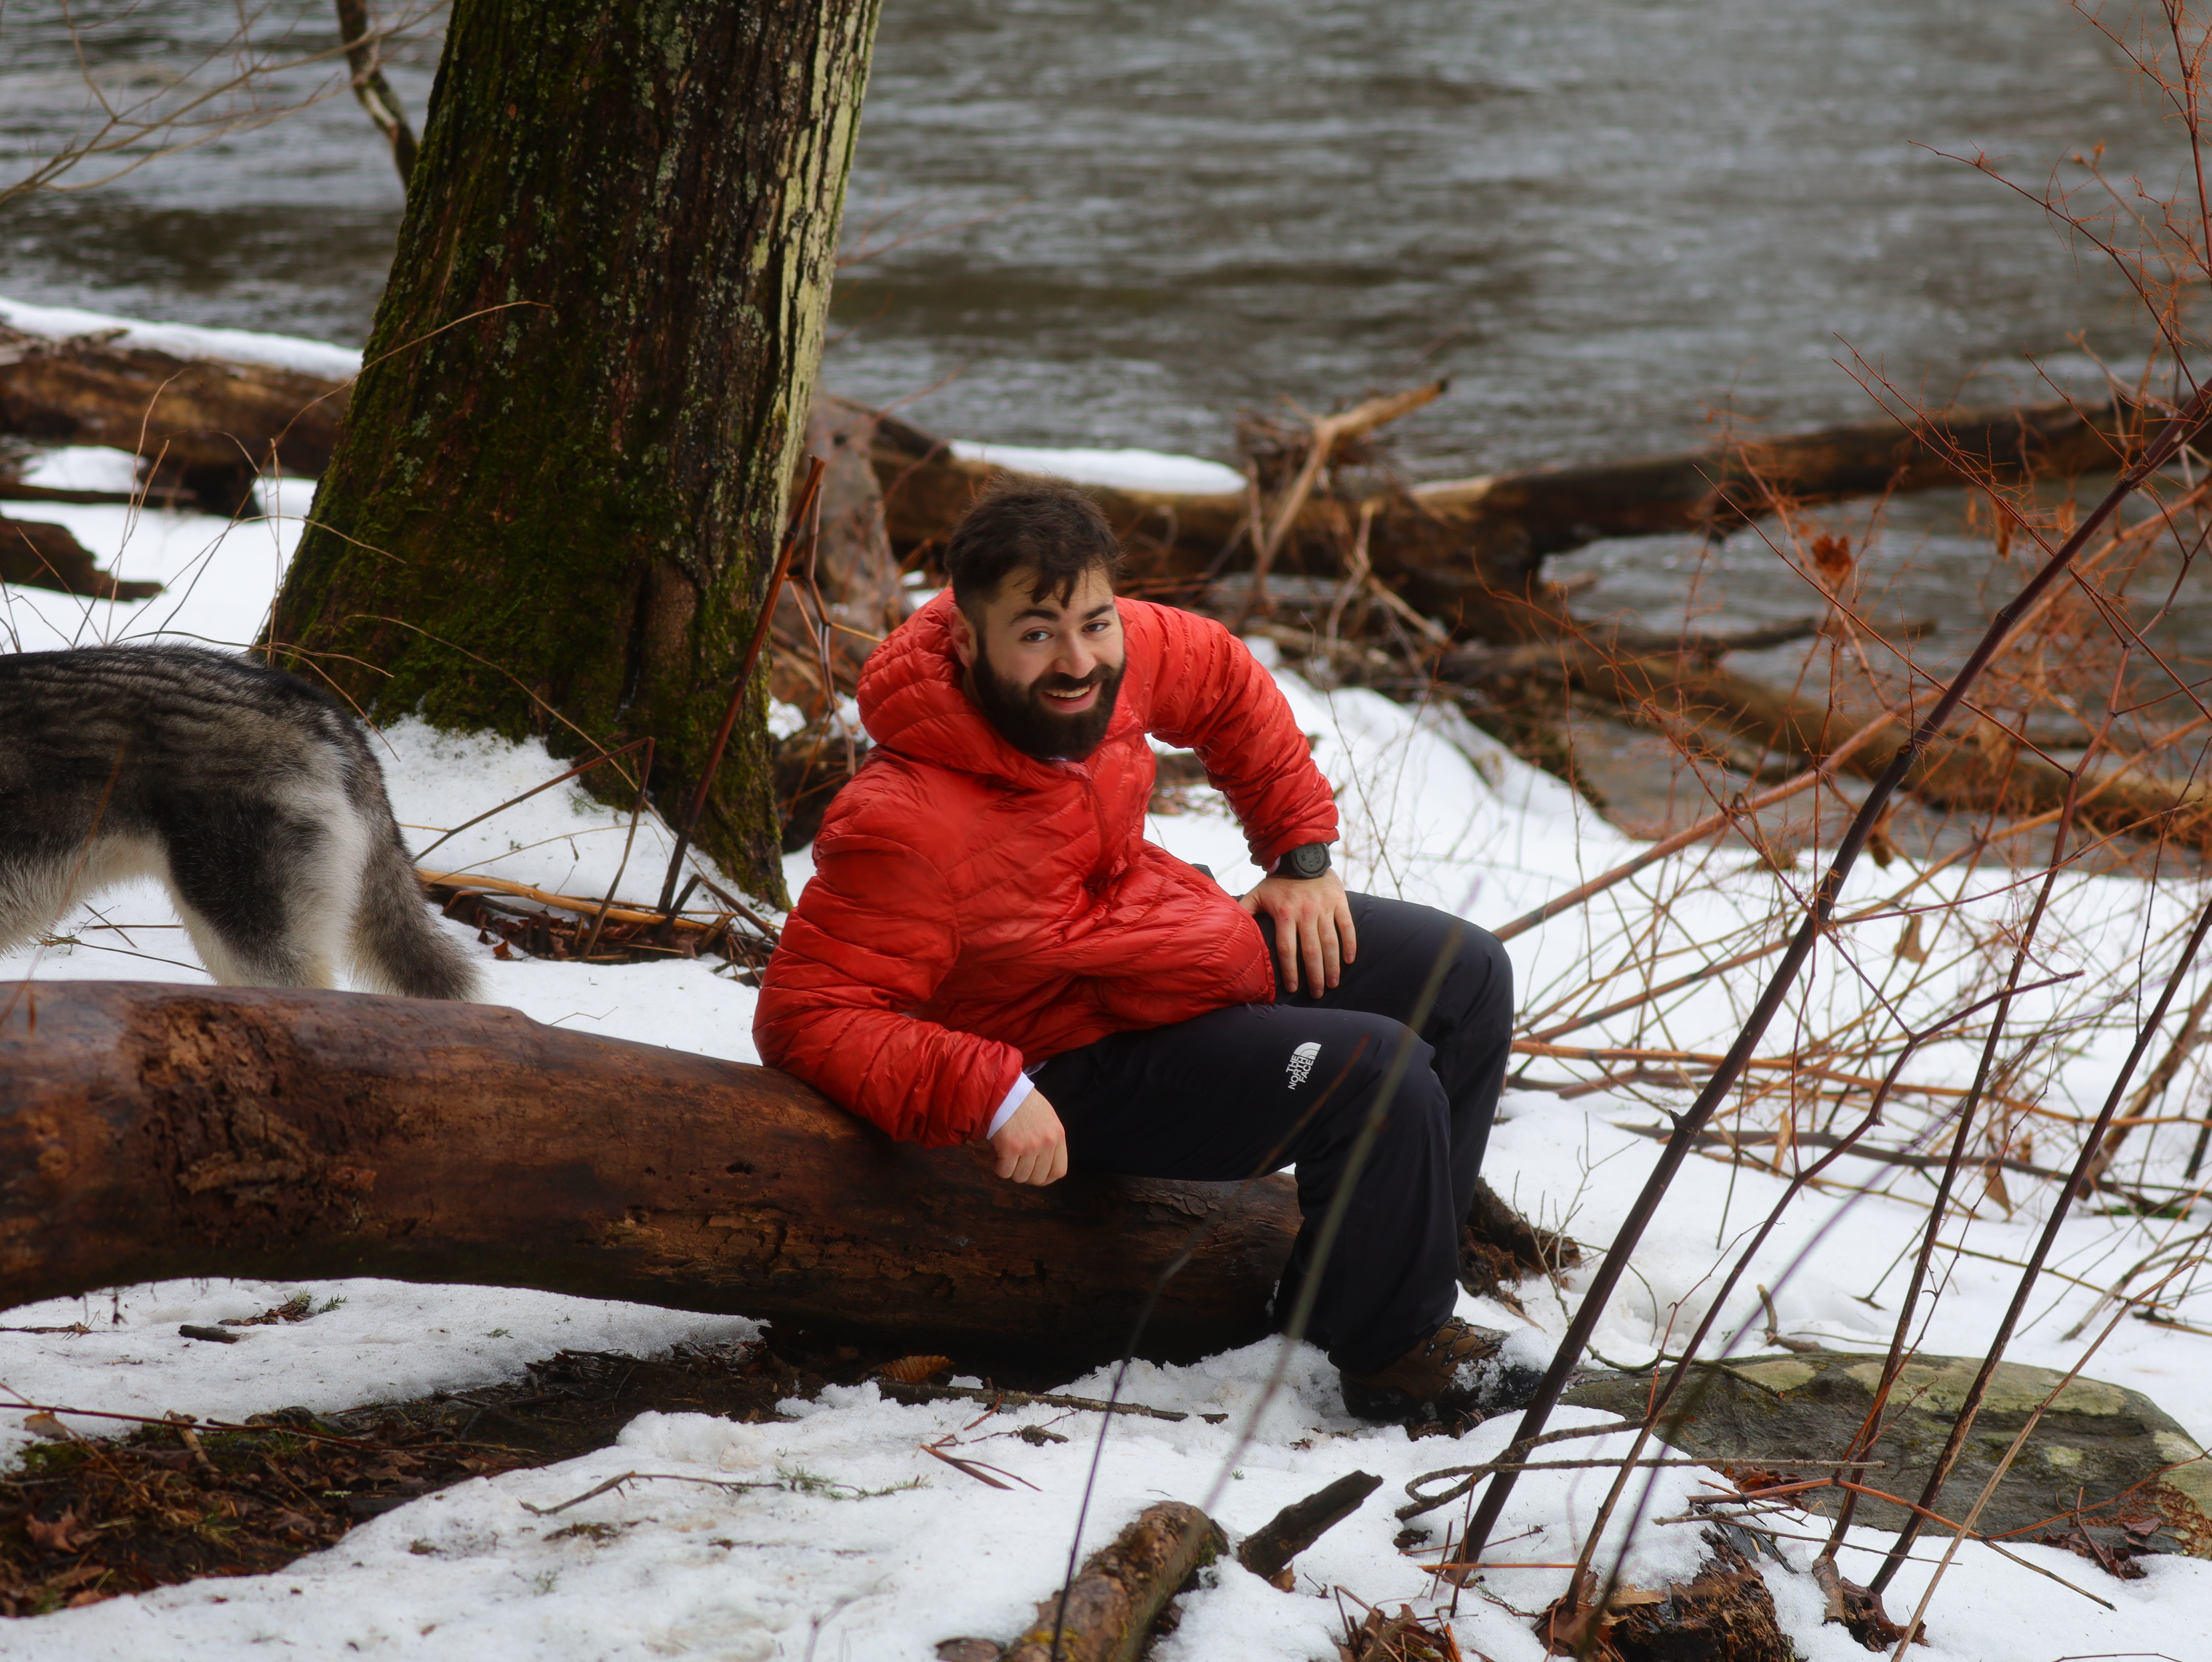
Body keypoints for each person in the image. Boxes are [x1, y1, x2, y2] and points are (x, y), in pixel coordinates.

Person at [754, 477, 1524, 1422]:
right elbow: (807, 1014)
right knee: (1376, 1074)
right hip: (1071, 1060)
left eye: (1093, 622)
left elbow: (1224, 678)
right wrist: (987, 1088)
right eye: (1036, 633)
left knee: (1466, 974)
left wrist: (1298, 852)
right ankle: (1388, 1354)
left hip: (1160, 950)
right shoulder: (904, 817)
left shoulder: (1118, 653)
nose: (1076, 660)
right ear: (966, 641)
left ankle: (1382, 1290)